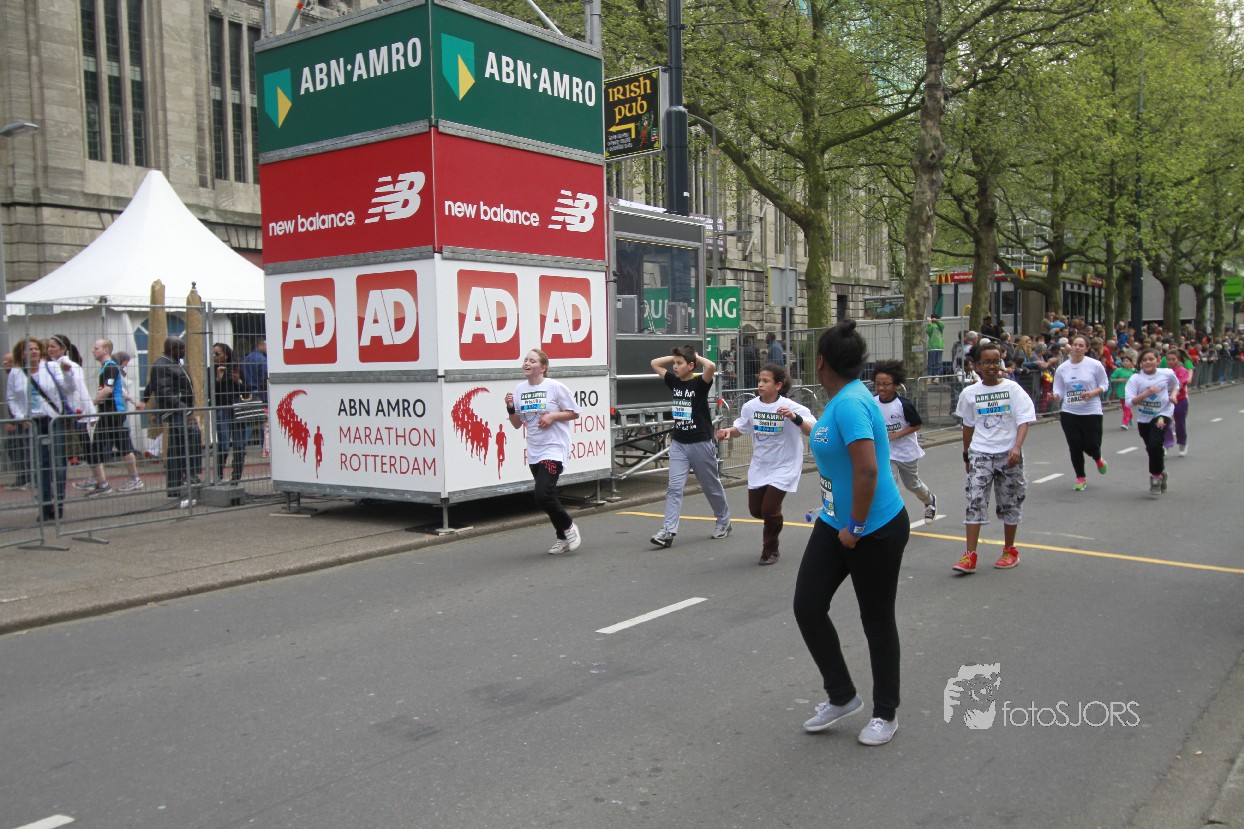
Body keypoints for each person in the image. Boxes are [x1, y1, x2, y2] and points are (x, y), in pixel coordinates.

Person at [794, 320, 910, 747]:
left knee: (876, 621)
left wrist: (856, 527)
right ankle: (842, 695)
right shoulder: (842, 399)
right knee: (808, 606)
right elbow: (837, 449)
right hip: (833, 522)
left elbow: (867, 470)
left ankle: (885, 713)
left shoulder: (850, 404)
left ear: (821, 361)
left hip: (872, 528)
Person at [715, 362, 812, 565]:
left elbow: (812, 429)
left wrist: (794, 418)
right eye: (759, 380)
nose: (760, 384)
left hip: (785, 465)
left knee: (769, 509)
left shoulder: (791, 406)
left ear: (778, 385)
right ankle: (774, 516)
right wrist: (728, 432)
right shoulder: (751, 407)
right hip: (761, 465)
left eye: (766, 381)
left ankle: (770, 550)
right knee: (756, 511)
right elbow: (741, 428)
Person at [953, 341, 1036, 574]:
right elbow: (968, 427)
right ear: (977, 365)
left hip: (1008, 454)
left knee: (1010, 501)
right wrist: (966, 456)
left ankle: (1010, 550)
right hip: (981, 453)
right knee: (975, 500)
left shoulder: (1013, 389)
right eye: (987, 362)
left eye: (996, 362)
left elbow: (1023, 420)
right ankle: (969, 555)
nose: (992, 366)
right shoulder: (969, 394)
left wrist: (1017, 447)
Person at [649, 345, 731, 547]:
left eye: (680, 363)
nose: (675, 367)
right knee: (674, 488)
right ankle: (668, 531)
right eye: (674, 363)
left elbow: (711, 366)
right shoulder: (674, 382)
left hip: (700, 442)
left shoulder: (700, 383)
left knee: (710, 486)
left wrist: (695, 357)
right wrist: (676, 357)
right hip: (679, 443)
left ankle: (723, 521)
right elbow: (654, 363)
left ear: (692, 366)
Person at [504, 349, 583, 555]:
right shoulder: (519, 389)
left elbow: (574, 413)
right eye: (525, 360)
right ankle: (562, 538)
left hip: (554, 448)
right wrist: (511, 408)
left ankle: (568, 527)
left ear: (543, 367)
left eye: (532, 361)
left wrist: (552, 416)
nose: (526, 363)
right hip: (534, 449)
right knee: (548, 496)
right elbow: (516, 424)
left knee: (542, 494)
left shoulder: (554, 387)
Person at [7, 337, 69, 521]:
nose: (33, 351)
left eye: (36, 348)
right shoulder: (16, 372)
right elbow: (11, 397)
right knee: (41, 465)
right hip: (33, 422)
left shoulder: (51, 367)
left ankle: (59, 503)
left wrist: (67, 373)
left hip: (52, 420)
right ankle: (45, 505)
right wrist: (21, 417)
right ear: (21, 354)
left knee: (58, 463)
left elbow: (67, 388)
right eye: (29, 349)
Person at [871, 360, 937, 521]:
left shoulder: (903, 405)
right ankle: (892, 518)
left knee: (912, 484)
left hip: (906, 451)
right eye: (877, 384)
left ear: (895, 385)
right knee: (889, 484)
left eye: (885, 384)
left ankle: (929, 501)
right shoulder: (873, 403)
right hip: (887, 452)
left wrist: (897, 435)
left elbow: (916, 424)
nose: (881, 388)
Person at [1049, 334, 1110, 491]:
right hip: (1069, 411)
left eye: (1081, 345)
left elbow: (1105, 384)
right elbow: (1059, 389)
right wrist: (1054, 396)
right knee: (1074, 445)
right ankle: (1080, 478)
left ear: (1086, 349)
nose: (1077, 347)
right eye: (1075, 344)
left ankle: (1098, 458)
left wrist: (1093, 392)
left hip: (1091, 411)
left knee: (1092, 444)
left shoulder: (1095, 365)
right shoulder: (1063, 368)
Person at [139, 337, 195, 498]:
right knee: (178, 447)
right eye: (182, 349)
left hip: (180, 410)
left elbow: (152, 385)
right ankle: (178, 484)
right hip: (175, 411)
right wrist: (185, 409)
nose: (184, 351)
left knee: (182, 445)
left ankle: (183, 480)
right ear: (172, 350)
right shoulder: (162, 365)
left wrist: (144, 399)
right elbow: (164, 391)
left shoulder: (172, 363)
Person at [87, 339, 143, 493]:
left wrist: (90, 404)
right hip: (109, 412)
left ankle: (129, 480)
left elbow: (108, 390)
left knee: (115, 447)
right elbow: (117, 390)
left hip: (113, 413)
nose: (93, 350)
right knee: (108, 447)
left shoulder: (110, 367)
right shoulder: (107, 367)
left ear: (106, 350)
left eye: (96, 348)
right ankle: (98, 480)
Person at [1124, 348, 1179, 496]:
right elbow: (1129, 403)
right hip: (1144, 417)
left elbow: (1176, 385)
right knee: (1151, 448)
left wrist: (1173, 395)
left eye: (1151, 359)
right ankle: (1161, 472)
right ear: (1140, 363)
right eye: (1144, 360)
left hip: (1162, 414)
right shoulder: (1135, 379)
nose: (1148, 362)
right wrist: (1146, 393)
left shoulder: (1166, 373)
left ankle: (1155, 477)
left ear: (1158, 361)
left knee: (1155, 444)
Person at [211, 343, 251, 484]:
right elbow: (209, 394)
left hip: (237, 409)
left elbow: (247, 391)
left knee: (239, 445)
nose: (214, 356)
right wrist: (217, 379)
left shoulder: (236, 368)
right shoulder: (211, 370)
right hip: (222, 409)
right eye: (213, 354)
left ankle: (236, 479)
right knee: (224, 444)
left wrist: (237, 380)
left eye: (217, 354)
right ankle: (218, 477)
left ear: (226, 355)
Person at [241, 340, 270, 458]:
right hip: (260, 393)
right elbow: (265, 377)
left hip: (248, 392)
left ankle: (241, 446)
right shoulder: (263, 360)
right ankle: (265, 447)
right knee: (264, 421)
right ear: (260, 345)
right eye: (266, 345)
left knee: (249, 420)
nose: (268, 348)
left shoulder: (246, 359)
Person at [1160, 347, 1192, 457]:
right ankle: (1166, 444)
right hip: (1166, 401)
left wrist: (1173, 393)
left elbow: (1180, 384)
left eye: (1173, 359)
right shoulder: (1164, 372)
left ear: (1178, 359)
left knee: (1179, 423)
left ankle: (1182, 443)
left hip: (1180, 400)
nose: (1171, 362)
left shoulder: (1182, 371)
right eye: (1169, 359)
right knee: (1164, 422)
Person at [1110, 354, 1136, 429]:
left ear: (1131, 363)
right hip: (1121, 390)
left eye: (1127, 361)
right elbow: (1112, 379)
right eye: (1124, 361)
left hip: (1131, 392)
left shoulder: (1134, 371)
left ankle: (1125, 423)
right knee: (1125, 407)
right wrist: (1119, 380)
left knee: (1127, 407)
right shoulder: (1118, 370)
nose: (1125, 362)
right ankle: (1129, 417)